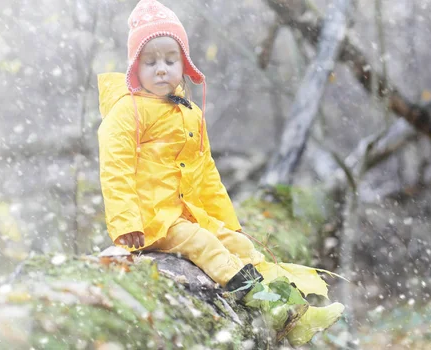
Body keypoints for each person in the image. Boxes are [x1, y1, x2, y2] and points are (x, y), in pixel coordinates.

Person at [97, 0, 344, 346]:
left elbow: (206, 172)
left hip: (187, 214)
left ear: (184, 62)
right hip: (154, 220)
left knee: (238, 244)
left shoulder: (190, 113)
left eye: (170, 60)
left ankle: (296, 309)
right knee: (203, 244)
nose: (161, 69)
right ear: (134, 67)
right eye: (150, 62)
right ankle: (267, 308)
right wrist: (127, 223)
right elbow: (116, 168)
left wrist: (225, 220)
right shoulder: (128, 112)